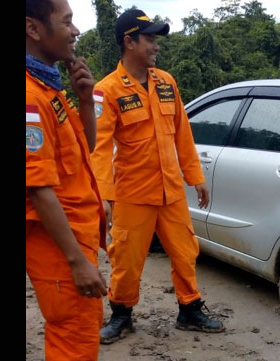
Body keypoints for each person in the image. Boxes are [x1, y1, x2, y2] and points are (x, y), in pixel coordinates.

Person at [91, 9, 225, 344]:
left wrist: (196, 177)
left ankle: (190, 308)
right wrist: (103, 198)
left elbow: (182, 134)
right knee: (125, 257)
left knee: (185, 250)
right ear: (129, 41)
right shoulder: (107, 90)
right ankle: (121, 315)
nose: (156, 46)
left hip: (171, 191)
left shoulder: (167, 82)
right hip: (132, 193)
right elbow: (100, 149)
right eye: (150, 39)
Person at [26, 0, 108, 359]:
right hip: (61, 248)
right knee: (73, 341)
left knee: (74, 338)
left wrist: (86, 101)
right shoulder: (30, 98)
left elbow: (82, 151)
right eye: (67, 22)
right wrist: (76, 261)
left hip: (75, 239)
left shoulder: (49, 89)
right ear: (33, 29)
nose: (76, 32)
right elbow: (38, 187)